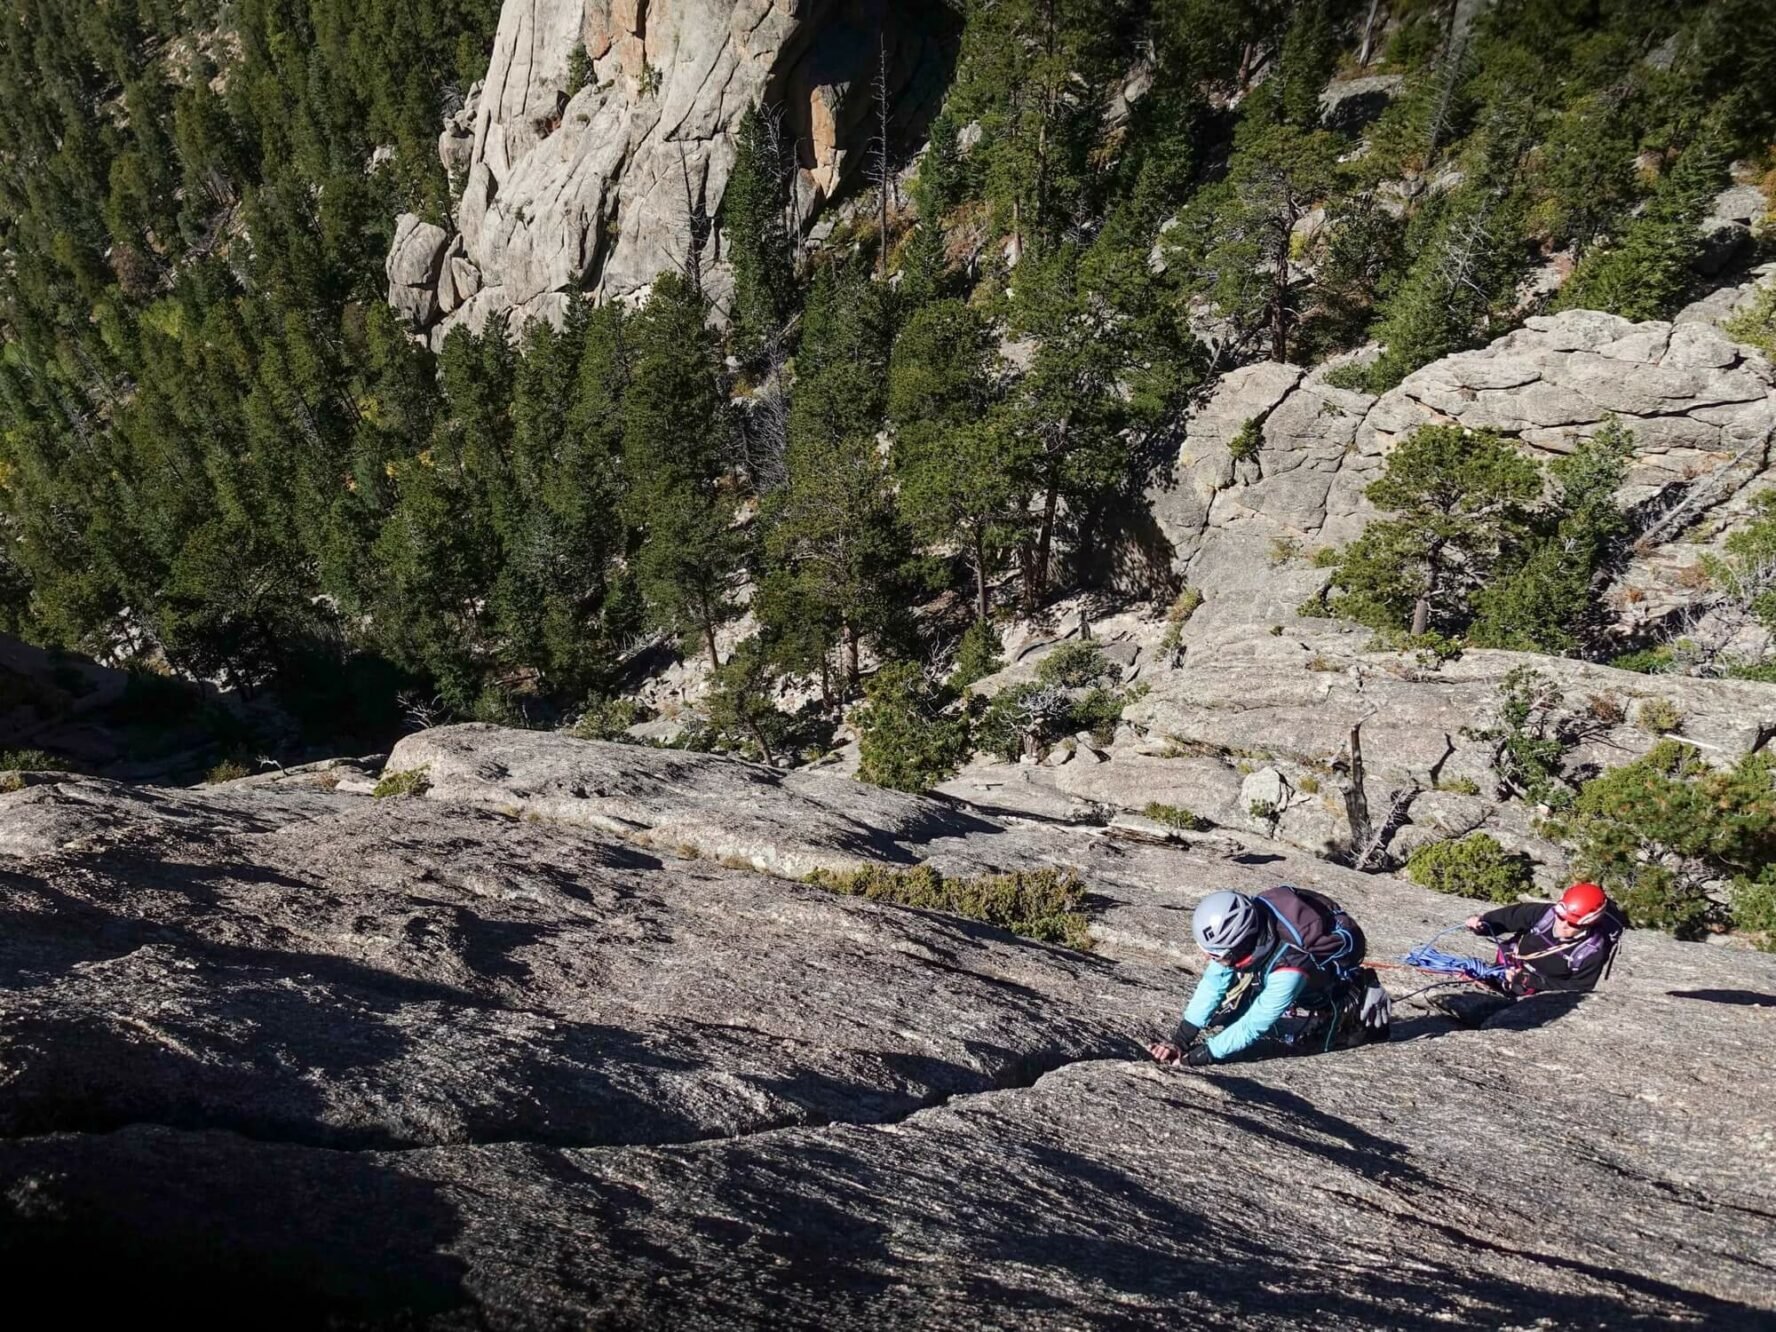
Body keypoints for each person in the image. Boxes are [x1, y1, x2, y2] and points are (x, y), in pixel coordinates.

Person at [1148, 886, 1391, 1067]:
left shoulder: (1291, 965)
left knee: (1312, 994)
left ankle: (1351, 1000)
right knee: (1245, 993)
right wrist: (1180, 1041)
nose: (1213, 960)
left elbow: (1256, 1022)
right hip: (1290, 946)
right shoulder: (1248, 927)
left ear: (1240, 947)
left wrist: (1203, 1055)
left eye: (1217, 955)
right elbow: (1215, 981)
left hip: (1326, 963)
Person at [1466, 881, 1625, 996]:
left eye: (1573, 924)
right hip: (1511, 961)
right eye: (1560, 917)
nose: (1563, 925)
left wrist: (1529, 981)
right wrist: (1483, 924)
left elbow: (1579, 987)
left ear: (1589, 924)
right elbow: (1508, 918)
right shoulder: (1543, 914)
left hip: (1539, 985)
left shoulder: (1591, 951)